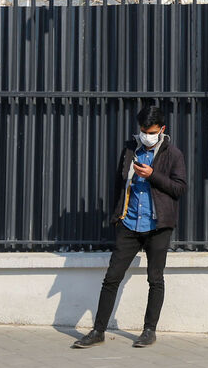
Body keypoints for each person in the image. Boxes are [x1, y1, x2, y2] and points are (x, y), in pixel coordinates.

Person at [71, 105, 187, 349]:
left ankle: (149, 330)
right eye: (143, 131)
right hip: (129, 222)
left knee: (155, 279)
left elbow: (179, 188)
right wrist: (117, 216)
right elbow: (118, 183)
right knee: (111, 278)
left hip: (158, 226)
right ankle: (98, 330)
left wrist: (152, 175)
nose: (147, 136)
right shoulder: (130, 150)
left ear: (162, 129)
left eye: (152, 131)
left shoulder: (173, 154)